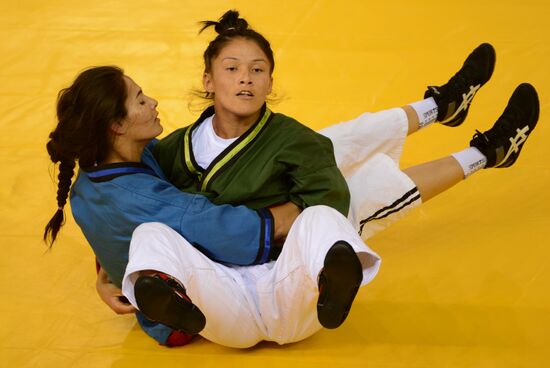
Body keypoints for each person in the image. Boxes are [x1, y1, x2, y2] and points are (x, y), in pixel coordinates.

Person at [111, 10, 539, 348]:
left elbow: (327, 202)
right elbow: (129, 202)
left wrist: (283, 224)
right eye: (232, 69)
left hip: (289, 285)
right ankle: (467, 131)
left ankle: (458, 128)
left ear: (270, 81)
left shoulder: (290, 138)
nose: (245, 77)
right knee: (358, 167)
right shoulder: (173, 149)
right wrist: (111, 270)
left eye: (257, 70)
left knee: (332, 206)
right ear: (208, 80)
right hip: (221, 302)